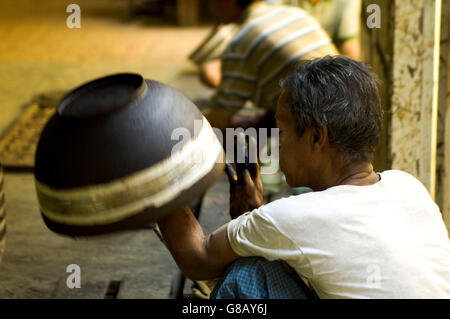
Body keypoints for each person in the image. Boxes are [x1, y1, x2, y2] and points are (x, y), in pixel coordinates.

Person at [158, 56, 450, 298]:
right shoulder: (409, 187)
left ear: (316, 137)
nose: (277, 141)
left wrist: (156, 166)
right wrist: (256, 219)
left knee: (248, 277)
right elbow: (335, 263)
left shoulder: (295, 216)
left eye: (282, 131)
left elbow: (198, 258)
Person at [198, 0, 338, 131]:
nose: (210, 6)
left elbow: (219, 118)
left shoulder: (242, 40)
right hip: (350, 105)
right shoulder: (294, 13)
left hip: (321, 128)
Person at [191, 0, 360, 90]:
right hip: (298, 69)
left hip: (318, 76)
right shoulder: (294, 13)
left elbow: (350, 47)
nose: (210, 7)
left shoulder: (245, 36)